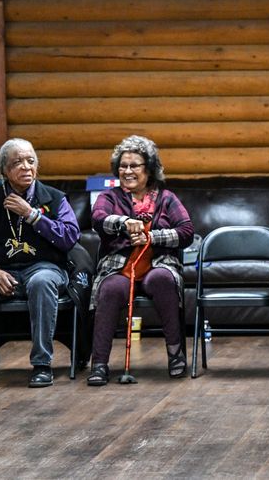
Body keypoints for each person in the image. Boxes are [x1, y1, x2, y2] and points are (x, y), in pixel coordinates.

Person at [87, 136, 194, 385]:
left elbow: (186, 231)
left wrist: (151, 236)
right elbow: (97, 218)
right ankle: (99, 364)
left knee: (163, 280)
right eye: (123, 166)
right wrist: (123, 223)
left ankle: (175, 354)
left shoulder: (166, 198)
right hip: (119, 267)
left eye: (134, 165)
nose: (127, 171)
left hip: (158, 264)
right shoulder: (110, 197)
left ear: (149, 169)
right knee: (110, 289)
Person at [0, 139, 80, 387]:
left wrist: (32, 215)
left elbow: (69, 238)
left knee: (41, 282)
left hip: (45, 268)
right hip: (3, 270)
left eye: (30, 161)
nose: (26, 167)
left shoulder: (53, 198)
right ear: (5, 171)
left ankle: (42, 365)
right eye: (17, 162)